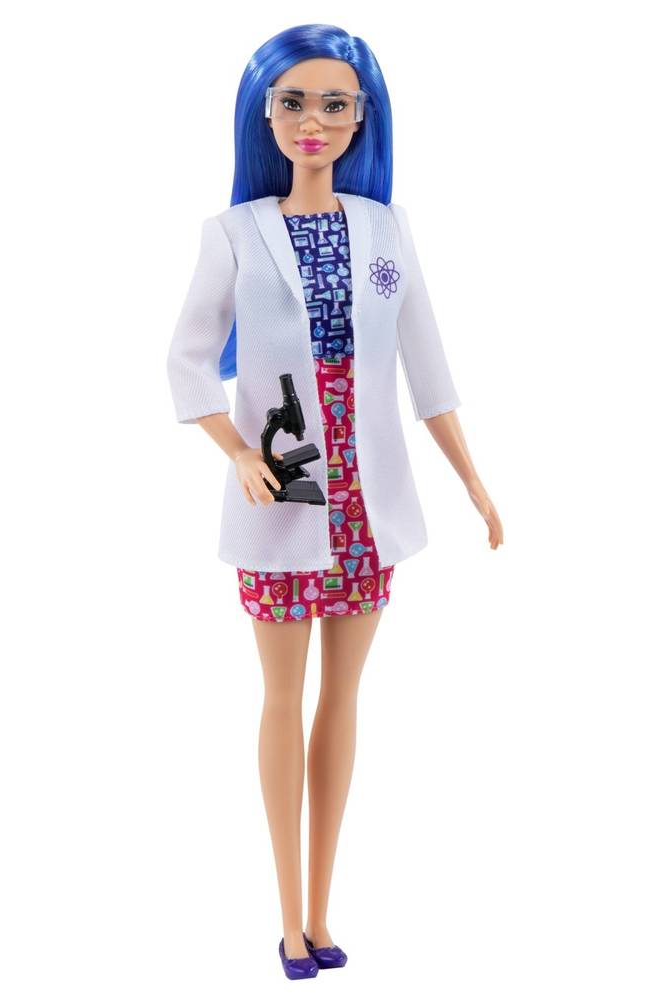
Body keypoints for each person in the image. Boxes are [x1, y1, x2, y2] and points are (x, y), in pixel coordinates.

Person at [166, 23, 503, 980]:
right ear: (264, 115)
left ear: (362, 119)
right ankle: (287, 922)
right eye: (293, 102)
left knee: (343, 702)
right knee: (282, 699)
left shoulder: (387, 230)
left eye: (334, 104)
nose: (312, 120)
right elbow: (186, 360)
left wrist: (472, 478)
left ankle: (323, 914)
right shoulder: (234, 232)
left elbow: (427, 367)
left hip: (366, 503)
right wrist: (236, 451)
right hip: (282, 495)